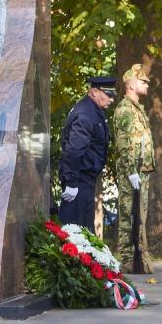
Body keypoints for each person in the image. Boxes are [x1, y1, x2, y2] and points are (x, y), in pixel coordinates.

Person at [59, 76, 117, 232]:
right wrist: (71, 182)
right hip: (78, 180)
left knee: (84, 231)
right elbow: (74, 150)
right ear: (94, 92)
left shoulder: (94, 111)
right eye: (108, 94)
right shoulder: (86, 113)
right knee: (73, 233)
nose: (111, 99)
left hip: (85, 179)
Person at [113, 64, 155, 274]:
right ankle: (127, 260)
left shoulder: (137, 109)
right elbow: (124, 143)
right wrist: (130, 171)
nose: (147, 83)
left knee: (139, 216)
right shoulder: (125, 110)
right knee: (128, 215)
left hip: (141, 171)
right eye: (142, 81)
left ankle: (139, 257)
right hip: (132, 172)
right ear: (130, 84)